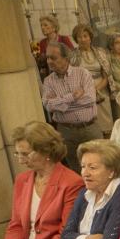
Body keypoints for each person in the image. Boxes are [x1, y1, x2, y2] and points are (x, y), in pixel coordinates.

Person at [41, 41, 101, 173]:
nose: (49, 61)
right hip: (66, 132)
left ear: (65, 58)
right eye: (47, 58)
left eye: (53, 57)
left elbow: (90, 99)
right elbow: (48, 106)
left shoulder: (82, 74)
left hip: (89, 128)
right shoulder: (48, 81)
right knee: (76, 171)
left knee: (100, 165)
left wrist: (60, 104)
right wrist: (72, 97)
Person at [69, 24, 114, 135]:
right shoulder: (72, 56)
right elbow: (71, 78)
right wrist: (87, 91)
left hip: (101, 92)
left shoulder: (100, 52)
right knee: (91, 129)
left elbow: (106, 75)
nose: (83, 39)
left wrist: (95, 89)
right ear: (76, 39)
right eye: (79, 37)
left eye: (85, 36)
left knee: (106, 127)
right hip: (83, 94)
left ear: (90, 37)